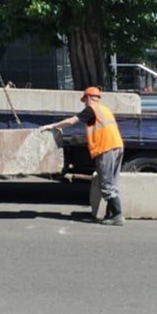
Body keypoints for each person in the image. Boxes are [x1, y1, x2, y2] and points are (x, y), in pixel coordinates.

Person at [42, 87, 125, 226]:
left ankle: (117, 215)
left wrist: (52, 126)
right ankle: (111, 214)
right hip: (117, 146)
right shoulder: (105, 109)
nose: (84, 103)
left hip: (106, 148)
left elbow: (72, 121)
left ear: (88, 97)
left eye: (84, 100)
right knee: (112, 183)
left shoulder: (92, 109)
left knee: (106, 184)